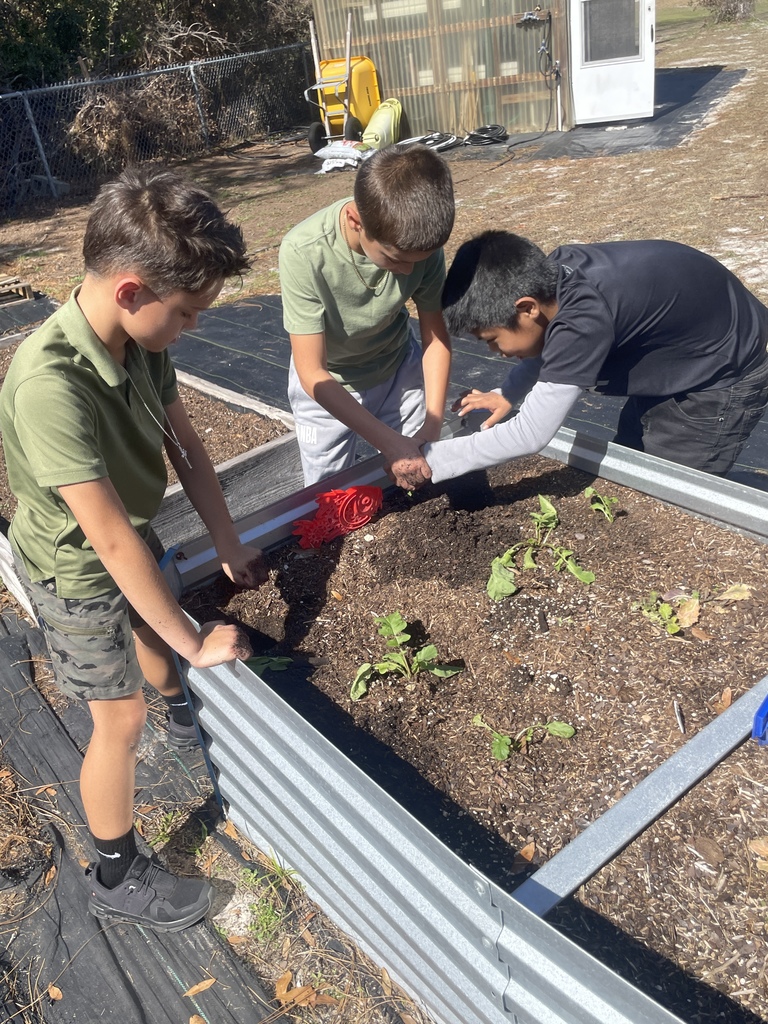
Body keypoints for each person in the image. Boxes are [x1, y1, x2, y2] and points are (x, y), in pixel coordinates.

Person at [0, 166, 266, 932]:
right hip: (73, 565)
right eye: (186, 314)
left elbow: (185, 446)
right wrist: (197, 641)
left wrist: (227, 541)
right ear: (130, 290)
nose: (190, 329)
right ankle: (117, 874)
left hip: (122, 533)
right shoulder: (48, 384)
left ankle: (182, 708)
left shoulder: (142, 341)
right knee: (117, 718)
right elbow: (108, 539)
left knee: (155, 616)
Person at [418, 231, 768, 483]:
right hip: (682, 347)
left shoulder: (583, 320)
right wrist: (508, 394)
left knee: (672, 488)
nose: (498, 353)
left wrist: (431, 458)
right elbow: (546, 346)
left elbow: (531, 434)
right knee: (633, 455)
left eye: (492, 340)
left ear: (526, 308)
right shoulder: (551, 277)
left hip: (725, 369)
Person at [279, 143, 455, 491]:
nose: (408, 270)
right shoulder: (304, 252)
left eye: (419, 260)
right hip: (329, 384)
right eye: (395, 258)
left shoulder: (421, 251)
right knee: (329, 494)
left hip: (396, 369)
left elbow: (435, 338)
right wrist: (389, 443)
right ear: (355, 222)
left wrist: (432, 425)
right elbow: (312, 370)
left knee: (416, 476)